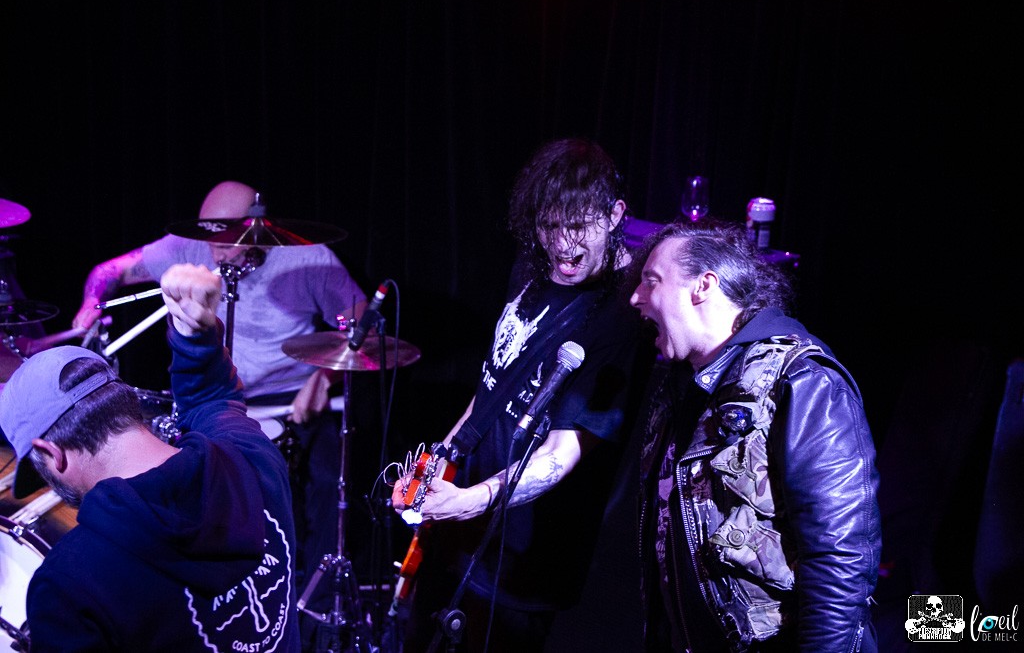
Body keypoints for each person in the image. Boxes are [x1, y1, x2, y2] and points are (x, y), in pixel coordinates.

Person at [71, 180, 367, 648]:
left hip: (291, 400)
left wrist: (325, 377)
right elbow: (109, 271)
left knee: (329, 485)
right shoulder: (187, 246)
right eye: (211, 238)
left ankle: (310, 617)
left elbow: (361, 322)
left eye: (229, 241)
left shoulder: (308, 258)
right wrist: (93, 300)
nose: (217, 252)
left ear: (258, 227)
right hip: (217, 400)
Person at [390, 138, 648, 652]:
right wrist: (438, 462)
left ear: (615, 214)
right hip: (458, 526)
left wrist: (472, 501)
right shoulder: (530, 268)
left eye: (579, 226)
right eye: (550, 226)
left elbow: (563, 452)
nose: (563, 245)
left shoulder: (622, 315)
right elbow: (492, 385)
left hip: (524, 558)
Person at [0, 263, 301, 651]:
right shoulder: (254, 456)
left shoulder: (71, 584)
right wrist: (195, 334)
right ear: (125, 404)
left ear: (51, 454)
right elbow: (214, 399)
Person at [628, 218, 881, 652]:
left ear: (703, 286)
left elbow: (840, 562)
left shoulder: (803, 380)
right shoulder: (680, 386)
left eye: (652, 281)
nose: (636, 297)